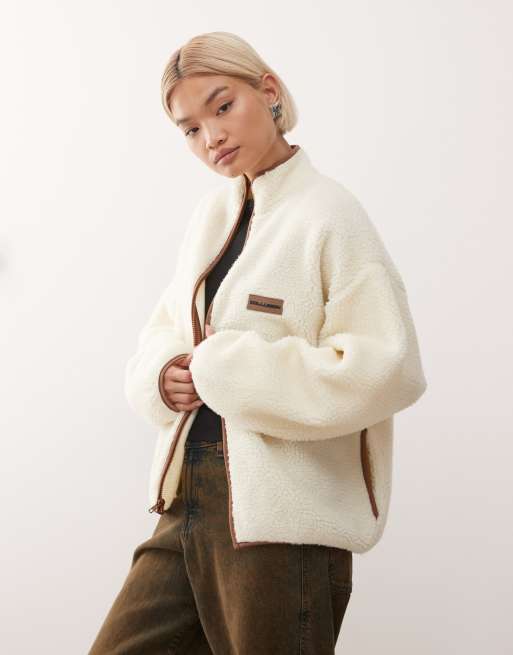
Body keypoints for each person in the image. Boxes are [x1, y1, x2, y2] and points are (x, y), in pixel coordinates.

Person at [88, 31, 427, 655]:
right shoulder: (211, 217)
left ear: (268, 92)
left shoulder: (330, 214)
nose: (211, 136)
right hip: (188, 501)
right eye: (190, 129)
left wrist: (228, 369)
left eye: (223, 106)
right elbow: (166, 329)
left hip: (282, 524)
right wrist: (163, 375)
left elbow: (388, 367)